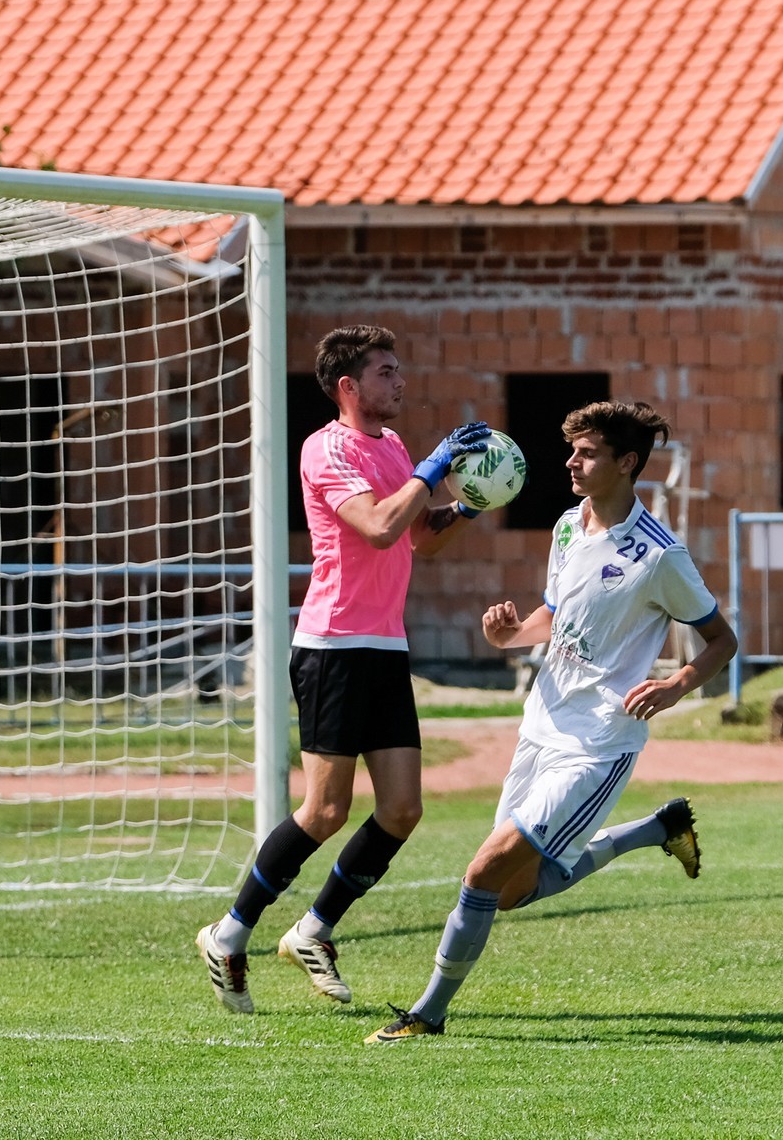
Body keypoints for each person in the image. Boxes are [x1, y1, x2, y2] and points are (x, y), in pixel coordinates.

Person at [366, 400, 739, 1043]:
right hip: (541, 724)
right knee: (510, 892)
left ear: (626, 463)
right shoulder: (568, 526)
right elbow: (555, 616)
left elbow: (721, 640)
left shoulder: (659, 555)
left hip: (598, 744)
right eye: (572, 450)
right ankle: (656, 829)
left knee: (483, 871)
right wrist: (510, 634)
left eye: (587, 453)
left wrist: (677, 684)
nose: (571, 462)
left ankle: (427, 1014)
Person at [196, 324, 490, 1013]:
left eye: (399, 369)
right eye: (386, 372)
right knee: (325, 809)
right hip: (332, 645)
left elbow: (418, 538)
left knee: (402, 809)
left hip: (384, 646)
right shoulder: (325, 449)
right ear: (349, 386)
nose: (400, 381)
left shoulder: (393, 447)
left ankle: (313, 930)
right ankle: (228, 933)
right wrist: (435, 467)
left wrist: (471, 502)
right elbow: (378, 527)